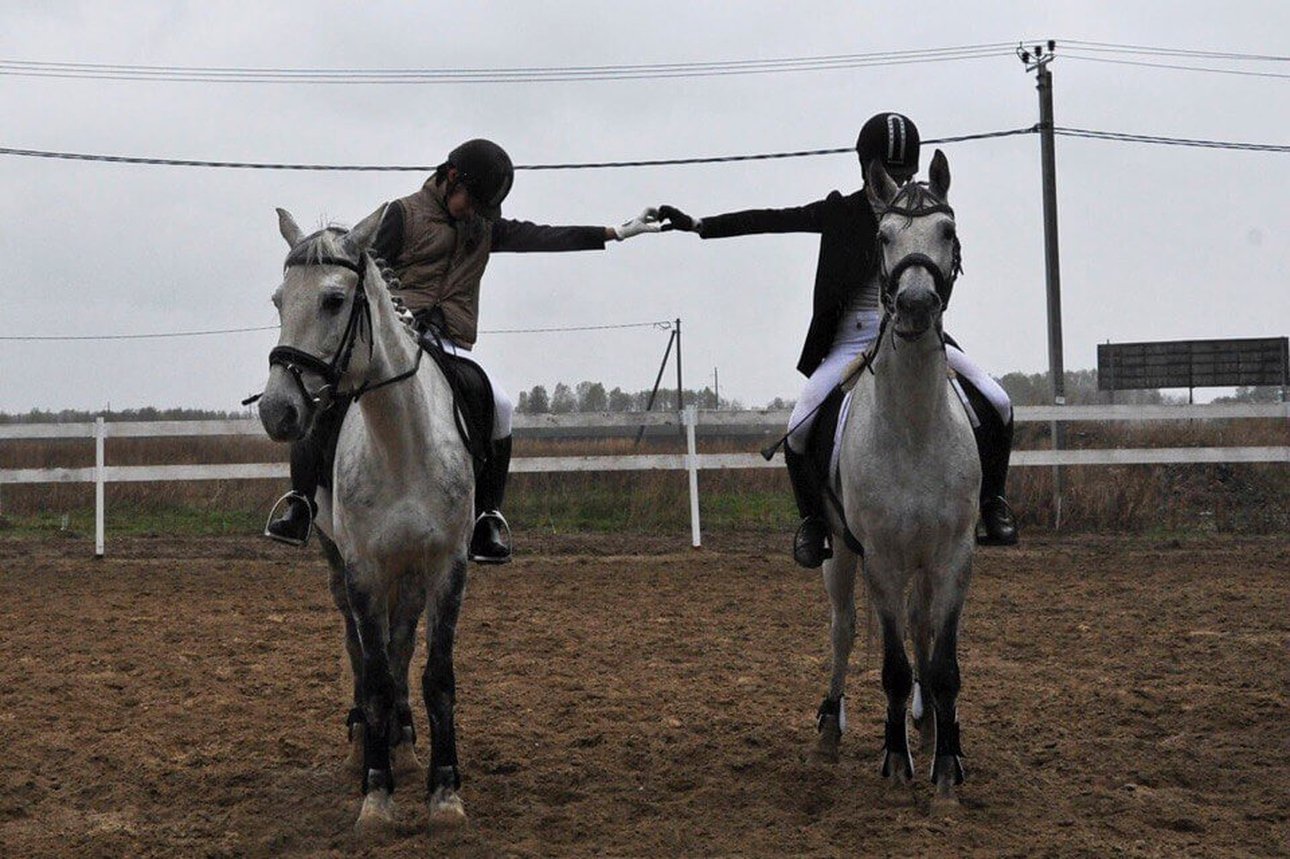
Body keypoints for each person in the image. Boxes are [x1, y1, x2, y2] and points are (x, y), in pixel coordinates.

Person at [265, 138, 661, 562]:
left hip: (450, 343)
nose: (475, 212)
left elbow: (540, 236)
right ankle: (302, 502)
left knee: (500, 404)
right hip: (398, 336)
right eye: (472, 200)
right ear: (451, 178)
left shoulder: (482, 225)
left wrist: (615, 232)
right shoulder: (402, 215)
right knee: (327, 398)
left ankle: (487, 517)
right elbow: (356, 275)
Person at [658, 112, 1018, 567]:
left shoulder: (921, 217)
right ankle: (813, 521)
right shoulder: (840, 212)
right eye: (891, 172)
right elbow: (771, 219)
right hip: (850, 342)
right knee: (801, 424)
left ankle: (992, 503)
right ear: (869, 169)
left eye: (907, 172)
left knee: (999, 401)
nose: (901, 181)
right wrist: (699, 224)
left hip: (916, 335)